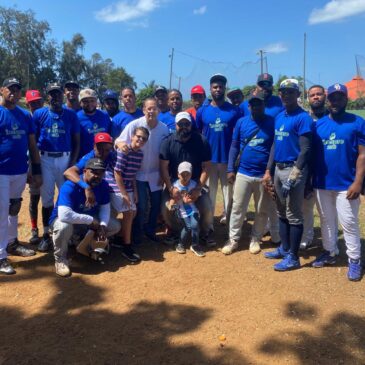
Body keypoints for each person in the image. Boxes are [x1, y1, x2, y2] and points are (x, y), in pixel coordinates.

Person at [311, 84, 365, 281]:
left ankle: (355, 260)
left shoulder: (357, 122)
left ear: (346, 100)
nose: (335, 101)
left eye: (339, 97)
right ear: (328, 100)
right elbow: (312, 155)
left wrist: (358, 182)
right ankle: (330, 252)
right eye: (332, 98)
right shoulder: (318, 125)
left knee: (349, 223)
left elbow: (363, 154)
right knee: (326, 220)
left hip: (347, 184)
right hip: (322, 183)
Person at [263, 79, 313, 271]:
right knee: (281, 211)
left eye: (290, 92)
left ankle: (293, 256)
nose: (285, 95)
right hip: (278, 168)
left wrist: (294, 175)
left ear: (297, 94)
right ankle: (284, 248)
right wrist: (269, 169)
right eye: (283, 92)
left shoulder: (303, 117)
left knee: (294, 215)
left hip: (293, 169)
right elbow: (275, 145)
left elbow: (306, 149)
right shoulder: (280, 116)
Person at [223, 92, 278, 255]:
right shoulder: (241, 122)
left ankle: (255, 238)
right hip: (243, 173)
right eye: (253, 104)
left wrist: (269, 170)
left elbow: (274, 148)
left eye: (259, 104)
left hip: (263, 175)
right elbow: (234, 146)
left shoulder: (271, 122)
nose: (256, 107)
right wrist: (230, 168)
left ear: (263, 105)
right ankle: (233, 239)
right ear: (249, 106)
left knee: (262, 209)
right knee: (238, 208)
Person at [0, 77, 42, 275]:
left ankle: (11, 242)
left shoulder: (25, 116)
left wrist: (36, 169)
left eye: (17, 90)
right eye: (10, 89)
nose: (14, 93)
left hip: (19, 170)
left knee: (14, 209)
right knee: (1, 212)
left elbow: (32, 145)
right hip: (1, 171)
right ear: (2, 90)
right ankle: (0, 256)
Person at [50, 158, 120, 277]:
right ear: (85, 171)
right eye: (93, 172)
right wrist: (91, 221)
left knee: (114, 226)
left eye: (100, 173)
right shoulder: (69, 186)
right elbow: (64, 215)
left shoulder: (103, 185)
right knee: (63, 227)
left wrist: (102, 225)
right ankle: (60, 259)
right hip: (65, 221)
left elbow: (105, 209)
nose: (97, 176)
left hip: (87, 222)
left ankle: (82, 242)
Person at [33, 82, 80, 252]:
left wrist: (72, 163)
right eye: (52, 94)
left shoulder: (71, 115)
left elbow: (76, 141)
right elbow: (33, 141)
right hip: (45, 158)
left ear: (63, 95)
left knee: (66, 197)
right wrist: (35, 165)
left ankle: (68, 235)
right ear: (48, 96)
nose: (55, 97)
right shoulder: (39, 114)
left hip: (65, 159)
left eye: (58, 93)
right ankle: (46, 234)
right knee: (46, 199)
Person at [115, 98, 169, 243]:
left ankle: (150, 231)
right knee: (142, 205)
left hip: (156, 174)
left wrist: (164, 174)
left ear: (158, 110)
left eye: (154, 108)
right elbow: (119, 140)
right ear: (144, 110)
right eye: (148, 108)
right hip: (137, 174)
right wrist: (121, 145)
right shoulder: (135, 125)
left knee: (156, 204)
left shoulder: (164, 129)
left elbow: (167, 152)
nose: (151, 111)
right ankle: (137, 234)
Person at [160, 111, 214, 247]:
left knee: (207, 207)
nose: (184, 127)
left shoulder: (201, 140)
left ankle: (204, 234)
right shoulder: (168, 142)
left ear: (191, 125)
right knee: (165, 207)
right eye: (180, 124)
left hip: (195, 182)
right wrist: (171, 188)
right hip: (174, 183)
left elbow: (207, 166)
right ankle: (177, 232)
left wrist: (198, 188)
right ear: (175, 125)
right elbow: (163, 167)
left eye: (187, 124)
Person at [196, 74, 240, 225]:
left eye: (221, 86)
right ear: (210, 89)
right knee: (209, 195)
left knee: (229, 195)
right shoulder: (203, 111)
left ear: (224, 88)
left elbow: (240, 131)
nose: (218, 89)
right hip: (209, 161)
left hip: (228, 160)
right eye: (215, 87)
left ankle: (229, 224)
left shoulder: (233, 111)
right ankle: (209, 225)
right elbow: (197, 134)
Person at [106, 127, 149, 262]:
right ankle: (127, 247)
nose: (140, 140)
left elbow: (132, 174)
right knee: (129, 213)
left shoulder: (140, 154)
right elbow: (117, 173)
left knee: (133, 213)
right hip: (114, 183)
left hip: (127, 184)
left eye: (144, 139)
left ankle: (120, 238)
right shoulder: (123, 151)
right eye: (138, 136)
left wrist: (134, 192)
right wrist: (124, 194)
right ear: (132, 137)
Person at [300, 84, 329, 250]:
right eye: (312, 95)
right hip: (308, 169)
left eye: (319, 94)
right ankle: (307, 236)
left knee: (326, 211)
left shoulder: (331, 117)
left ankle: (329, 244)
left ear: (324, 96)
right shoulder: (304, 118)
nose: (316, 97)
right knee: (306, 206)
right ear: (308, 98)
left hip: (327, 170)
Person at [168, 161, 205, 257]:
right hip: (182, 211)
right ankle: (180, 244)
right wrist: (171, 205)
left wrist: (191, 198)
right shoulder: (175, 186)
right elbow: (172, 199)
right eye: (182, 174)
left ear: (191, 174)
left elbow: (197, 195)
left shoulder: (193, 184)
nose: (185, 176)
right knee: (187, 227)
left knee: (195, 225)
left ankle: (195, 244)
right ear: (178, 174)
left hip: (193, 210)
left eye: (187, 174)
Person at [25, 89, 44, 244]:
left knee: (49, 197)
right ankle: (34, 229)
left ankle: (48, 230)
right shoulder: (25, 119)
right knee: (34, 197)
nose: (36, 105)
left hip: (46, 159)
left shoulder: (45, 116)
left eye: (38, 102)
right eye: (32, 103)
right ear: (28, 104)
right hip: (31, 161)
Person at [77, 88, 111, 158]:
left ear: (96, 102)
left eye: (92, 100)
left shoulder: (105, 115)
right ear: (80, 103)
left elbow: (110, 136)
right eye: (85, 101)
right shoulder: (76, 118)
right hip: (84, 159)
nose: (89, 103)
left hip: (104, 158)